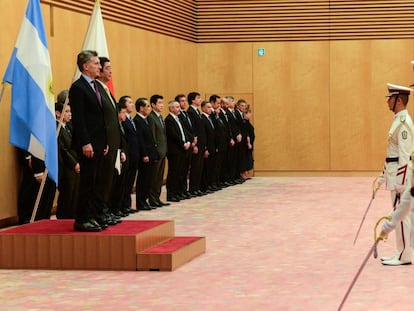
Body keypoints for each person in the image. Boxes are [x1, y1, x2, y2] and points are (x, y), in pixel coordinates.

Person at [375, 83, 414, 266]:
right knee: (399, 216)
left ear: (398, 100)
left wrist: (401, 182)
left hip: (400, 179)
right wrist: (382, 177)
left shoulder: (404, 123)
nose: (387, 102)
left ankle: (404, 255)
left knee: (401, 216)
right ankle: (400, 252)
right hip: (393, 175)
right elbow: (392, 153)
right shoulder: (398, 120)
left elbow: (405, 156)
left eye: (389, 98)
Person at [69, 50, 107, 232]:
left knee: (96, 182)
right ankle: (82, 219)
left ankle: (93, 216)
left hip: (99, 143)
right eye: (96, 63)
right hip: (88, 144)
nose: (100, 66)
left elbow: (101, 118)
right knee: (87, 182)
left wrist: (105, 142)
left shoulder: (96, 86)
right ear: (85, 66)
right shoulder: (78, 87)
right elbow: (79, 118)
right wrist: (85, 142)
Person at [96, 56, 122, 226]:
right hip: (104, 143)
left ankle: (105, 212)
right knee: (101, 181)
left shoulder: (106, 90)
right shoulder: (96, 89)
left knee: (108, 182)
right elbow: (99, 119)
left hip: (113, 143)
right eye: (107, 68)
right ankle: (99, 213)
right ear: (99, 71)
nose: (111, 71)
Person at [55, 98, 80, 219]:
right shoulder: (56, 128)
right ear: (58, 113)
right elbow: (63, 150)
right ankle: (63, 217)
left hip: (75, 164)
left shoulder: (68, 127)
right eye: (67, 111)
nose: (70, 114)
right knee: (67, 193)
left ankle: (72, 216)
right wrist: (74, 163)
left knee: (74, 193)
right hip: (66, 166)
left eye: (70, 111)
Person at [134, 97, 159, 210]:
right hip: (145, 155)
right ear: (141, 108)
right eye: (147, 106)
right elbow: (141, 140)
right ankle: (141, 202)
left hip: (151, 154)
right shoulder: (138, 121)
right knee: (143, 179)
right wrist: (144, 154)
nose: (149, 108)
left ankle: (145, 200)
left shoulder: (145, 119)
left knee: (149, 179)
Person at [165, 100, 191, 201]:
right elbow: (173, 135)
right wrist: (183, 143)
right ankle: (171, 194)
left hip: (183, 148)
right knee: (174, 173)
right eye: (176, 107)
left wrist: (188, 141)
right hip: (175, 150)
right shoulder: (169, 120)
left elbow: (184, 131)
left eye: (179, 107)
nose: (179, 108)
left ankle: (180, 191)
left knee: (181, 172)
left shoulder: (179, 118)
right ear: (171, 109)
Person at [147, 94, 170, 208]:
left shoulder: (160, 117)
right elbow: (152, 137)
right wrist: (154, 152)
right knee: (154, 177)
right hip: (156, 153)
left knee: (160, 177)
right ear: (153, 104)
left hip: (163, 151)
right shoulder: (151, 117)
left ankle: (157, 197)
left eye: (162, 103)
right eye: (159, 103)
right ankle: (152, 199)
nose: (162, 105)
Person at [119, 95, 140, 214]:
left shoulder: (130, 119)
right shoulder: (123, 120)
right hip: (127, 155)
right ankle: (122, 205)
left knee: (130, 182)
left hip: (134, 155)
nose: (132, 105)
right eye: (130, 102)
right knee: (125, 182)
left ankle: (127, 205)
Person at [241, 105, 255, 178]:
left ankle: (246, 172)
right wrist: (249, 143)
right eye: (249, 113)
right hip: (246, 144)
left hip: (250, 143)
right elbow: (246, 134)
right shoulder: (244, 122)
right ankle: (243, 173)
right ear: (246, 114)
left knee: (249, 158)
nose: (251, 115)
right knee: (246, 158)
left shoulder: (247, 121)